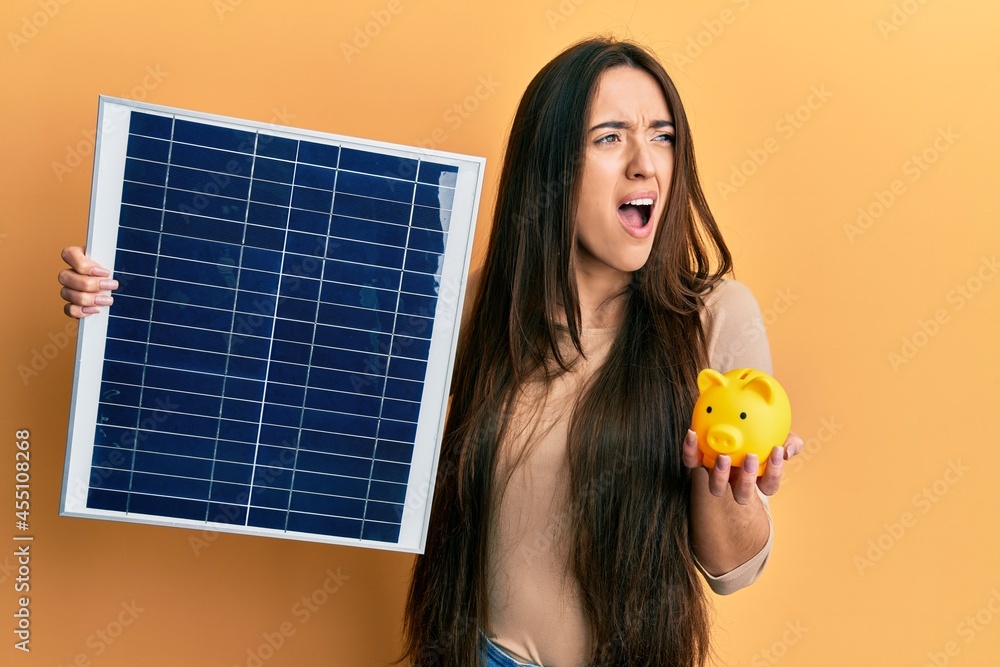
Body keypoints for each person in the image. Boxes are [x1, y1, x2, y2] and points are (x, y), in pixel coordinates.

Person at [59, 37, 802, 667]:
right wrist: (123, 296)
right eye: (609, 137)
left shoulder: (713, 318)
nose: (645, 163)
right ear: (552, 168)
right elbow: (286, 357)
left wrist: (724, 485)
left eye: (663, 135)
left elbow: (732, 569)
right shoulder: (475, 304)